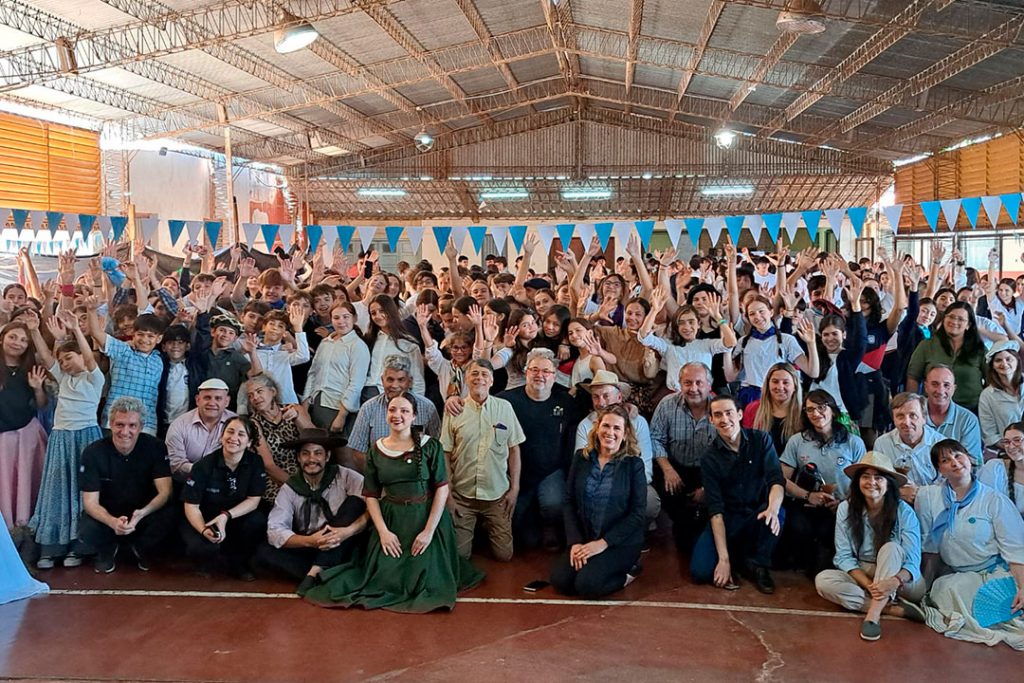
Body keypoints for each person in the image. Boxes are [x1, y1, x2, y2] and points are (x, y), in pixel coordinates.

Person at [303, 392, 484, 612]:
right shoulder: (376, 451)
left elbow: (442, 489)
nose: (397, 415)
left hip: (425, 519)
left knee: (423, 579)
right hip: (392, 520)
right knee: (385, 580)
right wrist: (383, 532)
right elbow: (371, 495)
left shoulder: (431, 446)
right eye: (392, 410)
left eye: (404, 411)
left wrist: (428, 532)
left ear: (414, 416)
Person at [915, 439, 1024, 649]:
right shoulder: (929, 498)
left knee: (1008, 610)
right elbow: (930, 549)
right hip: (959, 574)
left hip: (996, 571)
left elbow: (1016, 550)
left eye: (958, 455)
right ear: (939, 469)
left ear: (969, 457)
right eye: (946, 460)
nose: (955, 463)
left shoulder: (994, 500)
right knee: (943, 589)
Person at [814, 451, 927, 641]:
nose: (871, 482)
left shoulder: (904, 511)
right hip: (865, 572)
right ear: (857, 482)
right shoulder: (846, 508)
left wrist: (893, 582)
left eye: (878, 478)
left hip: (903, 579)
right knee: (823, 581)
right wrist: (870, 585)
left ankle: (873, 616)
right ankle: (893, 609)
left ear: (888, 483)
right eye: (865, 477)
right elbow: (843, 557)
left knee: (891, 548)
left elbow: (913, 562)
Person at [26, 313, 103, 568]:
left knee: (83, 492)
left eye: (69, 358)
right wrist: (35, 331)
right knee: (58, 490)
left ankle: (79, 547)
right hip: (61, 438)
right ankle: (52, 547)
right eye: (62, 361)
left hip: (87, 438)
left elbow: (90, 359)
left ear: (81, 355)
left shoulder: (95, 378)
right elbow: (48, 359)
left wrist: (75, 331)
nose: (65, 364)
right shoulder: (63, 378)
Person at [691, 395, 785, 595]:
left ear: (740, 414)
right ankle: (733, 557)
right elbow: (715, 509)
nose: (724, 419)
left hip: (756, 514)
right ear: (711, 420)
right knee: (700, 572)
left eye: (729, 413)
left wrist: (772, 509)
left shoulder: (761, 440)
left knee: (779, 513)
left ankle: (758, 565)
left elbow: (776, 480)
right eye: (717, 415)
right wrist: (723, 560)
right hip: (728, 518)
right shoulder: (709, 458)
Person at [551, 405, 647, 598]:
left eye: (617, 428)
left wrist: (603, 544)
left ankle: (628, 574)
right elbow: (569, 502)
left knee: (587, 585)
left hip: (619, 542)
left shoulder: (634, 464)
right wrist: (576, 543)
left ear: (626, 434)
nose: (610, 432)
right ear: (597, 428)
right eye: (606, 426)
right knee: (561, 581)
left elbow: (637, 514)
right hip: (586, 539)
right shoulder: (581, 458)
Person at [259, 429, 368, 592]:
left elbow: (372, 505)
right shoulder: (290, 488)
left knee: (354, 503)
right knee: (263, 552)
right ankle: (329, 570)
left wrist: (348, 531)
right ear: (298, 457)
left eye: (318, 453)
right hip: (311, 544)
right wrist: (310, 541)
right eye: (305, 454)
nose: (312, 459)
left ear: (327, 456)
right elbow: (275, 530)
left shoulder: (345, 476)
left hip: (344, 541)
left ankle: (314, 573)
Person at [78, 397, 176, 573]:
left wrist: (141, 513)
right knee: (86, 526)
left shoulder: (156, 447)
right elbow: (90, 503)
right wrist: (113, 522)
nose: (125, 432)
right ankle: (107, 550)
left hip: (144, 512)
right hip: (109, 514)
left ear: (140, 427)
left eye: (132, 425)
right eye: (119, 425)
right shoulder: (93, 452)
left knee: (170, 514)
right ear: (110, 424)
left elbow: (165, 492)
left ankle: (142, 548)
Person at [440, 359, 524, 561]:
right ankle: (469, 531)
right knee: (460, 556)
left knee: (504, 555)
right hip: (463, 496)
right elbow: (446, 453)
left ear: (492, 381)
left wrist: (514, 489)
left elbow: (514, 450)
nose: (480, 378)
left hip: (497, 496)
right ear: (466, 379)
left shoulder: (505, 408)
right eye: (474, 374)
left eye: (485, 374)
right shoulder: (454, 410)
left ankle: (487, 527)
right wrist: (449, 494)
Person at [499, 348, 580, 550]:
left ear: (554, 376)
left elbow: (599, 408)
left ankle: (549, 525)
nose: (540, 376)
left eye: (546, 372)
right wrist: (454, 401)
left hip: (550, 472)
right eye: (534, 370)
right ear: (526, 372)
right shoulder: (505, 401)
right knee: (522, 538)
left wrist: (627, 408)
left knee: (554, 504)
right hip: (517, 473)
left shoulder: (566, 401)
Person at [779, 390, 867, 575]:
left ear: (833, 411)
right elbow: (782, 478)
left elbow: (864, 480)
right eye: (810, 409)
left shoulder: (854, 443)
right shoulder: (797, 441)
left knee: (829, 535)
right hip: (806, 504)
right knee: (798, 527)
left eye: (821, 408)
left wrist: (845, 503)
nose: (816, 414)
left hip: (842, 506)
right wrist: (808, 496)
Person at [181, 416, 267, 580]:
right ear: (222, 436)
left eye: (241, 434)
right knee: (201, 548)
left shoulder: (256, 462)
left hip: (235, 517)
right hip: (206, 518)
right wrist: (204, 529)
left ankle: (239, 563)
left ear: (249, 442)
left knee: (257, 521)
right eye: (230, 432)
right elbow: (191, 506)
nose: (234, 438)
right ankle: (208, 560)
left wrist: (226, 516)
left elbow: (254, 500)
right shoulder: (204, 465)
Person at [573, 370, 659, 524]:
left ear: (619, 397)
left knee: (650, 502)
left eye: (606, 396)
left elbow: (646, 467)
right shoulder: (585, 425)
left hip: (631, 481)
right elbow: (581, 467)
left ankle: (640, 529)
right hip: (597, 482)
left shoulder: (638, 422)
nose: (601, 402)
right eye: (595, 397)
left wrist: (621, 488)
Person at [650, 362, 717, 550]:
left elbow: (728, 451)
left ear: (709, 385)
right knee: (682, 529)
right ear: (679, 384)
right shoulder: (667, 404)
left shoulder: (720, 408)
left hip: (709, 471)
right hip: (676, 467)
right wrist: (668, 469)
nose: (693, 388)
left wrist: (707, 486)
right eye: (687, 383)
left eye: (699, 383)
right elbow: (655, 438)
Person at [347, 354, 441, 469]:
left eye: (401, 380)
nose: (395, 385)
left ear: (410, 381)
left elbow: (437, 448)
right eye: (390, 379)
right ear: (382, 380)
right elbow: (358, 451)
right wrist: (377, 476)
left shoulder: (427, 407)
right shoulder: (368, 408)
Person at [0, 321, 48, 530]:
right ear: (2, 337)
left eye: (23, 340)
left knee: (25, 484)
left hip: (25, 434)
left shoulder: (31, 368)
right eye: (13, 337)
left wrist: (37, 389)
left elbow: (42, 405)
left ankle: (24, 529)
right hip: (2, 437)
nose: (17, 343)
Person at [301, 301, 370, 435]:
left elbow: (356, 383)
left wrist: (342, 416)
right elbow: (313, 373)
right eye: (336, 318)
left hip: (337, 406)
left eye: (346, 317)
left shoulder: (358, 346)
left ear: (354, 318)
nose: (341, 321)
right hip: (316, 403)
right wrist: (305, 402)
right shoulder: (326, 342)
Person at [907, 301, 987, 411]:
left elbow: (991, 380)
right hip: (933, 409)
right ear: (944, 319)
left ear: (968, 325)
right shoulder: (927, 345)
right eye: (951, 317)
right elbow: (913, 377)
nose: (954, 321)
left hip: (971, 409)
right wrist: (914, 407)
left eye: (960, 319)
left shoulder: (979, 349)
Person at [247, 373, 315, 503]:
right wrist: (298, 486)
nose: (255, 397)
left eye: (259, 391)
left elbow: (315, 440)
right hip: (276, 479)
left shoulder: (294, 409)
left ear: (273, 391)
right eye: (250, 395)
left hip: (307, 470)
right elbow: (269, 466)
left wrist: (297, 419)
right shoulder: (254, 423)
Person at [164, 379, 236, 481]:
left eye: (218, 398)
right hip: (187, 483)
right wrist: (204, 470)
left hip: (224, 483)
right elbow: (176, 464)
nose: (212, 403)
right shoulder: (179, 425)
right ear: (198, 400)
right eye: (207, 398)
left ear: (227, 401)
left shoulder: (237, 424)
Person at [922, 365, 983, 463]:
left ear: (954, 389)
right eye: (935, 384)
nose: (940, 391)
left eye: (946, 385)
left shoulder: (968, 420)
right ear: (926, 387)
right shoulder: (912, 415)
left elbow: (970, 461)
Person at [741, 362, 803, 455]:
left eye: (785, 382)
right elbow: (747, 445)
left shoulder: (804, 413)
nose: (780, 387)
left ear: (795, 386)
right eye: (775, 381)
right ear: (768, 384)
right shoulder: (752, 409)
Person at [979, 340, 1024, 448]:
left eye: (1008, 359)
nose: (1004, 364)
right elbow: (990, 435)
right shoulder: (987, 396)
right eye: (998, 360)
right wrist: (1015, 448)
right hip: (1010, 452)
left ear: (1017, 361)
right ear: (992, 365)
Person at [979, 422, 1024, 517]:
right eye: (1006, 442)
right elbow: (985, 506)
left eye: (1017, 440)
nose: (1011, 446)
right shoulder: (995, 468)